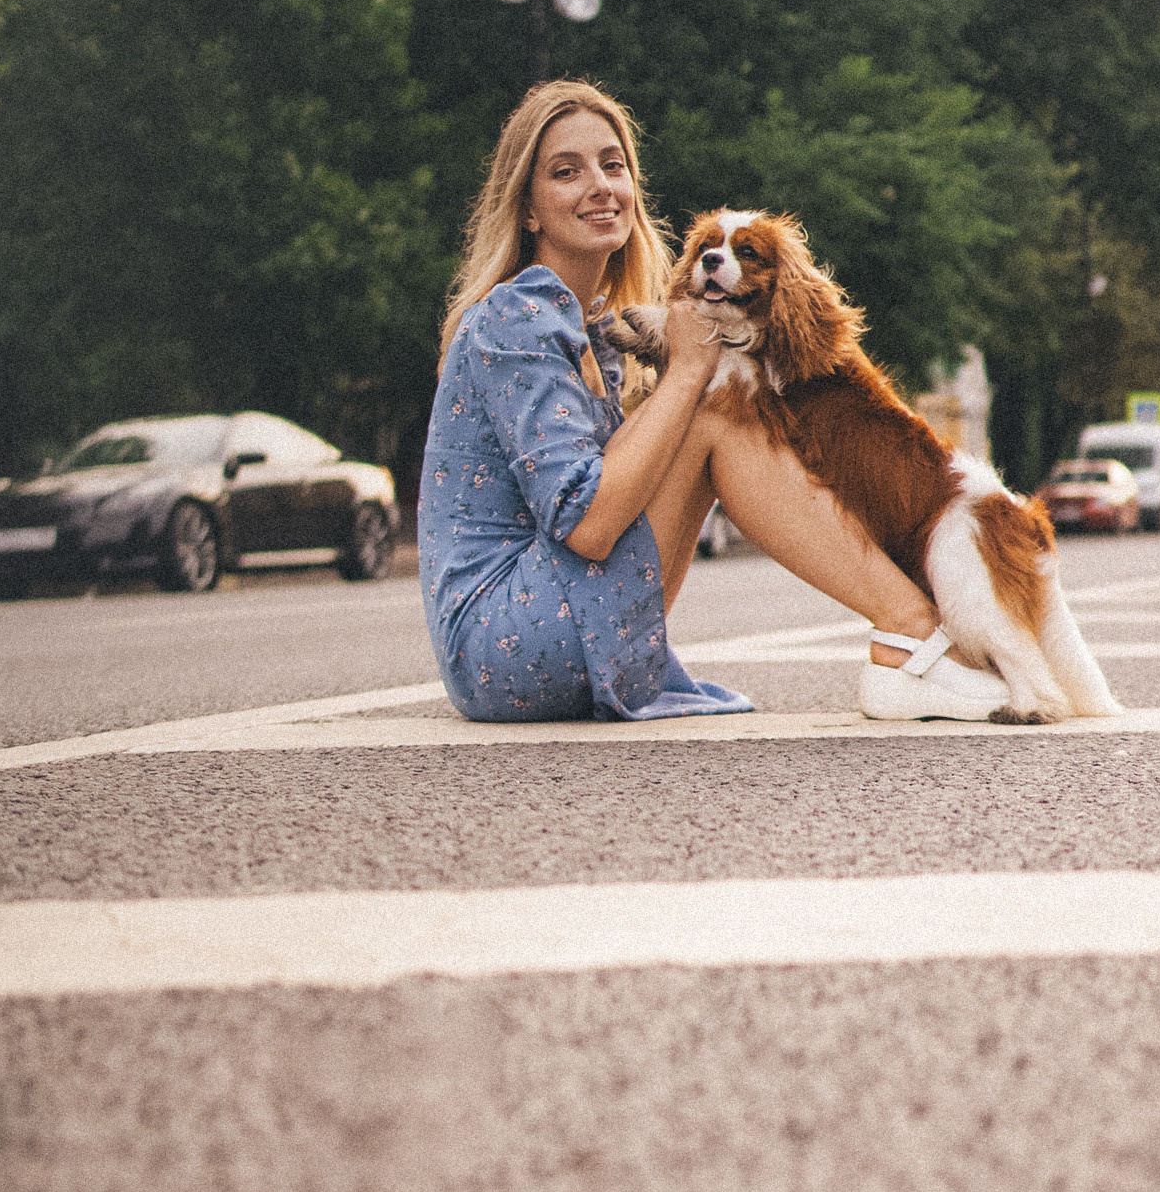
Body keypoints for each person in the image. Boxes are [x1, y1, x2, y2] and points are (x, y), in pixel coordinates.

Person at [418, 80, 1009, 722]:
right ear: (528, 210)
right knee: (711, 412)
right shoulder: (513, 319)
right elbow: (587, 527)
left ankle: (916, 630)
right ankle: (912, 630)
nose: (599, 185)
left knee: (714, 404)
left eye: (613, 165)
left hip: (558, 625)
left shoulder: (589, 327)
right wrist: (688, 372)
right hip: (502, 649)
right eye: (566, 171)